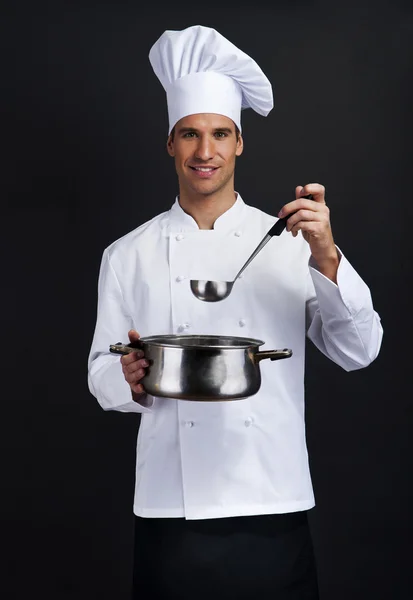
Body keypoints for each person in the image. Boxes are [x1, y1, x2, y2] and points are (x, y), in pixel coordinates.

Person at [87, 25, 383, 600]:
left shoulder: (292, 243)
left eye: (220, 134)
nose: (206, 151)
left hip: (272, 499)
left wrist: (327, 257)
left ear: (240, 143)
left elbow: (359, 351)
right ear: (170, 143)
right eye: (190, 135)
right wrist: (130, 381)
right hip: (171, 505)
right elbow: (101, 369)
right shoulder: (127, 254)